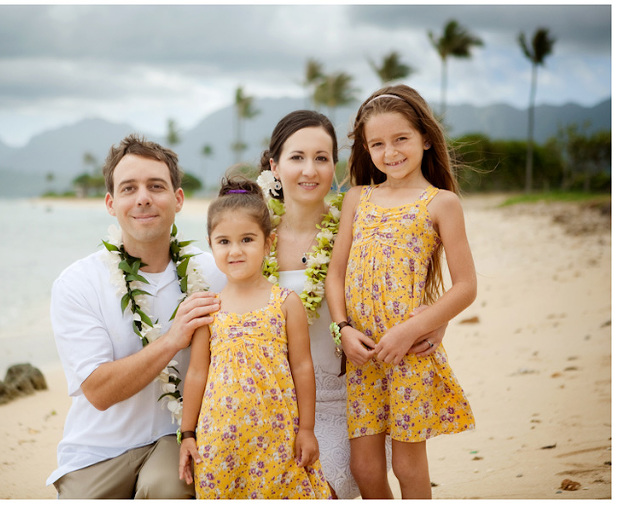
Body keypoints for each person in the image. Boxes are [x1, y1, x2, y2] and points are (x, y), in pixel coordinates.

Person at [256, 110, 446, 498]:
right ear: (275, 166)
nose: (310, 170)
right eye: (297, 158)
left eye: (322, 158)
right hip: (278, 404)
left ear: (334, 166)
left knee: (320, 487)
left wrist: (433, 320)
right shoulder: (249, 238)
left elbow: (402, 274)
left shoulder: (359, 217)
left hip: (354, 395)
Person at [46, 134, 225, 499]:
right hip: (97, 449)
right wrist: (174, 338)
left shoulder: (215, 274)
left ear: (178, 199)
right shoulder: (77, 283)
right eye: (129, 188)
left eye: (155, 186)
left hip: (176, 438)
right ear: (111, 203)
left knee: (168, 492)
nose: (143, 197)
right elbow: (98, 390)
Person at [325, 84, 477, 499]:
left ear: (425, 138)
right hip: (364, 352)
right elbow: (335, 273)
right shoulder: (358, 198)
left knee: (407, 466)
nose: (390, 152)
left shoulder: (441, 203)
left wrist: (413, 330)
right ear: (367, 149)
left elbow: (465, 287)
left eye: (401, 139)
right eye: (378, 144)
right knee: (365, 467)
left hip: (408, 352)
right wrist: (342, 328)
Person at [178, 177, 331, 499]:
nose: (235, 251)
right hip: (219, 442)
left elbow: (302, 367)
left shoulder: (286, 302)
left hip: (278, 438)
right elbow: (196, 372)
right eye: (224, 242)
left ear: (269, 242)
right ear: (211, 244)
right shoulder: (210, 307)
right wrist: (188, 433)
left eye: (247, 239)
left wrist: (306, 430)